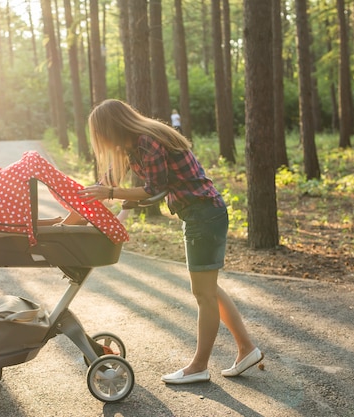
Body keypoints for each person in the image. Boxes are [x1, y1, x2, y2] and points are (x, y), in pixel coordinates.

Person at [78, 99, 263, 384]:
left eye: (100, 133)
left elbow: (154, 188)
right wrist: (101, 206)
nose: (100, 141)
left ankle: (199, 366)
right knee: (208, 289)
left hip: (204, 214)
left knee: (203, 294)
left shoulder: (147, 141)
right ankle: (246, 349)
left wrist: (113, 194)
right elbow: (109, 182)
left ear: (111, 128)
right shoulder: (133, 146)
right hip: (202, 213)